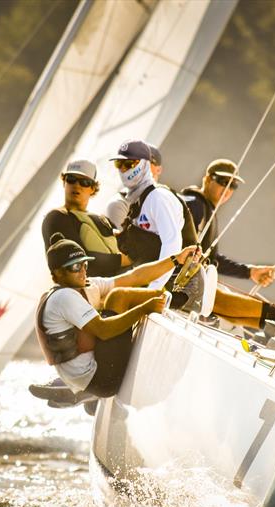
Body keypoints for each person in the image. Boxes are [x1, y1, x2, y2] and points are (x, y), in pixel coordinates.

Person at [34, 233, 199, 402]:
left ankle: (179, 298)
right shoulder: (63, 297)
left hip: (94, 374)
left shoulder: (87, 286)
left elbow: (133, 277)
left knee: (117, 295)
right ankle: (182, 299)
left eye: (84, 264)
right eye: (75, 267)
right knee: (117, 297)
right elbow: (104, 331)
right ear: (57, 273)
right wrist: (144, 309)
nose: (83, 271)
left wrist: (176, 259)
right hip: (101, 380)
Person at [112, 139, 197, 289]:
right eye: (119, 165)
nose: (124, 170)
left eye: (130, 164)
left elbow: (172, 245)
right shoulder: (138, 200)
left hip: (170, 285)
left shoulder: (158, 198)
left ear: (145, 164)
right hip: (142, 280)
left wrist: (153, 289)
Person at [180, 158, 275, 287]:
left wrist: (250, 272)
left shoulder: (207, 211)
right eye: (223, 182)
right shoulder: (194, 204)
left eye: (233, 185)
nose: (228, 189)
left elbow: (211, 259)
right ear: (208, 179)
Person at [41, 159, 132, 277]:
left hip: (115, 286)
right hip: (85, 292)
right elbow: (79, 260)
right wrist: (124, 260)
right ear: (64, 182)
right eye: (71, 179)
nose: (77, 186)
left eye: (84, 182)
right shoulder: (56, 217)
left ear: (93, 188)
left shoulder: (101, 219)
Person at [105, 142, 163, 230]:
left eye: (130, 163)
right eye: (119, 163)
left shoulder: (166, 197)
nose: (124, 168)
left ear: (159, 169)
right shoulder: (120, 203)